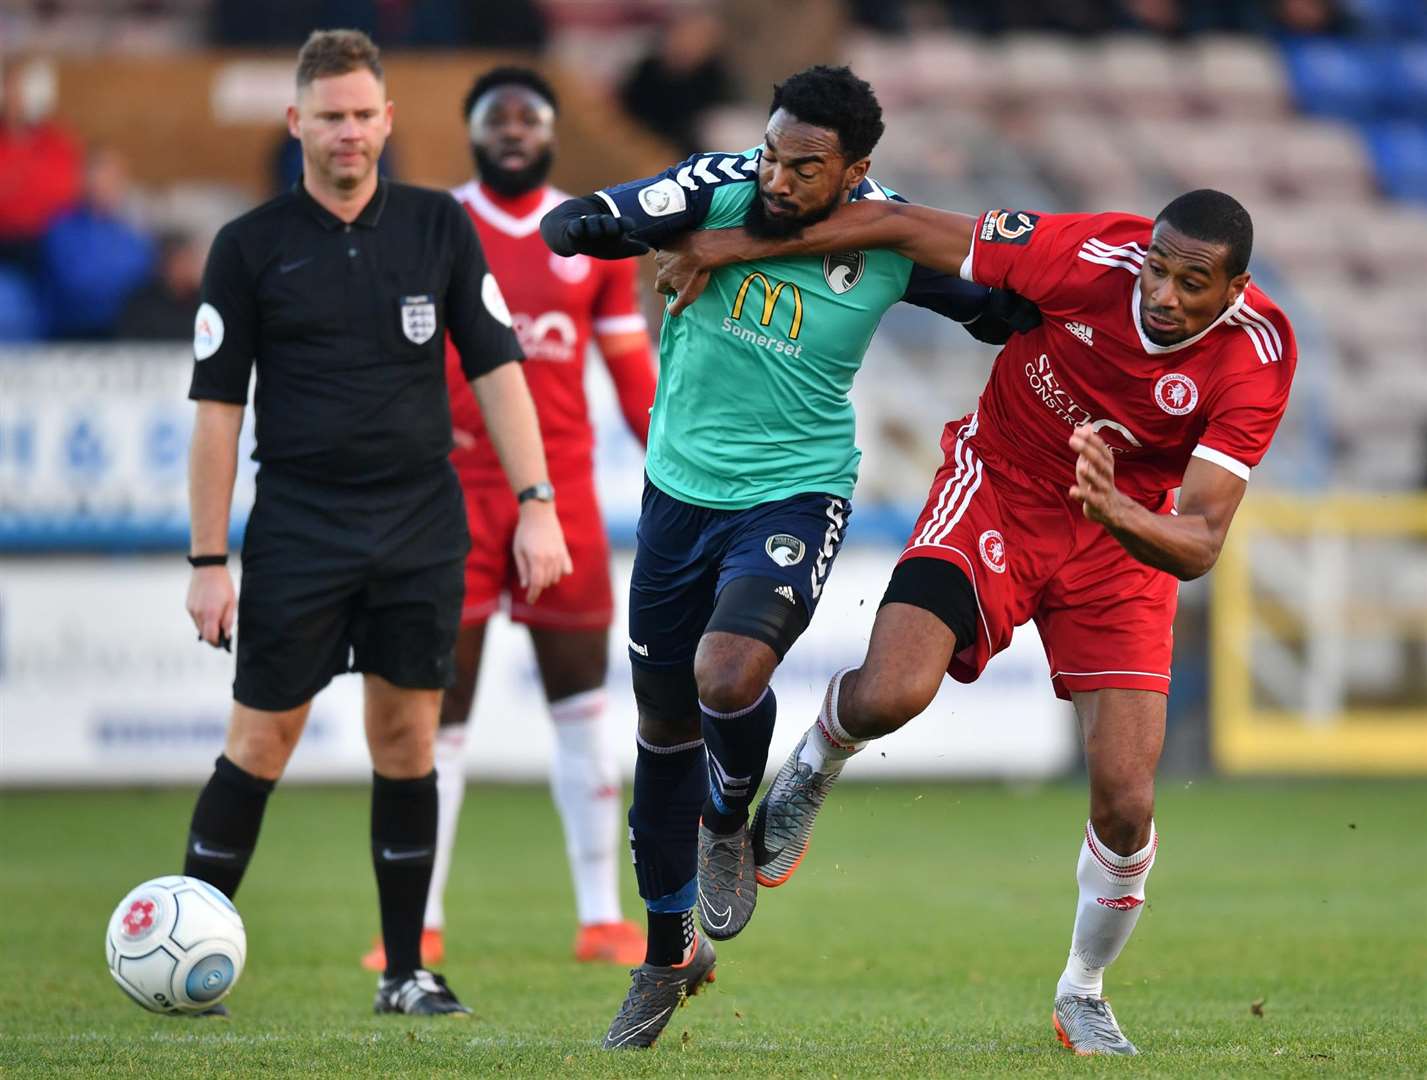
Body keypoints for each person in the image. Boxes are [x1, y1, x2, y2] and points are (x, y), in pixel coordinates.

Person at [656, 187, 1297, 1055]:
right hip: (997, 484)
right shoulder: (1086, 256)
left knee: (1125, 800)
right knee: (890, 693)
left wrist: (1113, 513)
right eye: (1158, 268)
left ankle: (1082, 992)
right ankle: (813, 762)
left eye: (1193, 283)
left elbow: (1201, 540)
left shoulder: (1259, 352)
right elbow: (901, 224)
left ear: (1235, 287)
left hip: (1122, 537)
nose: (1164, 295)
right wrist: (729, 245)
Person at [541, 64, 1039, 1049]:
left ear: (856, 170)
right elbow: (572, 229)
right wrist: (679, 233)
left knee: (726, 674)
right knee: (661, 729)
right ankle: (666, 953)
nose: (774, 177)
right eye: (770, 152)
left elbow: (1011, 311)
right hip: (676, 492)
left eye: (802, 167)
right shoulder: (719, 183)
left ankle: (731, 819)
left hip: (795, 490)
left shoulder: (894, 240)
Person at [182, 29, 570, 1018]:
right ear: (296, 123)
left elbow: (498, 373)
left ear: (387, 121)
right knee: (261, 738)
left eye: (364, 116)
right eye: (331, 117)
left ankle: (406, 971)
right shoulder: (248, 247)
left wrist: (536, 506)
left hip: (416, 523)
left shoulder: (438, 228)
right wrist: (208, 558)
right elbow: (217, 416)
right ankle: (187, 954)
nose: (349, 133)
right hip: (300, 528)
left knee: (406, 739)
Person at [359, 66, 655, 975]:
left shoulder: (591, 235)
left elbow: (631, 372)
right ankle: (422, 923)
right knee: (438, 718)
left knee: (581, 705)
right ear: (474, 132)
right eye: (498, 118)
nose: (516, 129)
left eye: (530, 116)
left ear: (554, 132)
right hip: (448, 505)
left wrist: (679, 469)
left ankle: (603, 918)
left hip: (558, 504)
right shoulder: (432, 226)